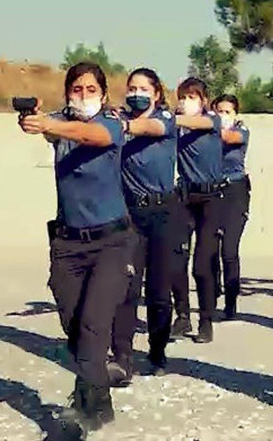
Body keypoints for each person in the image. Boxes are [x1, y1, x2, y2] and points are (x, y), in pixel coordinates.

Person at [17, 62, 135, 431]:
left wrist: (48, 125)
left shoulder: (112, 123)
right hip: (68, 245)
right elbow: (45, 127)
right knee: (75, 327)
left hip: (111, 243)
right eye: (76, 89)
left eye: (90, 89)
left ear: (103, 94)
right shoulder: (58, 122)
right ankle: (100, 400)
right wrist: (31, 120)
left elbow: (91, 136)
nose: (83, 96)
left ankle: (83, 411)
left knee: (93, 325)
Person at [107, 68, 181, 386]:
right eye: (132, 88)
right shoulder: (118, 120)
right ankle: (122, 358)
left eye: (143, 89)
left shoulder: (165, 119)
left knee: (159, 291)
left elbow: (149, 127)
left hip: (164, 212)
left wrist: (123, 125)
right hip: (129, 214)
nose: (136, 94)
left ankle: (157, 351)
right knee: (126, 287)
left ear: (156, 94)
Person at [174, 77, 225, 343]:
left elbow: (198, 123)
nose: (186, 102)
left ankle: (206, 320)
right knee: (176, 260)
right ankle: (182, 316)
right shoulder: (175, 126)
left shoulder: (211, 120)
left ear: (204, 101)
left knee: (203, 265)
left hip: (211, 199)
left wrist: (171, 120)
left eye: (192, 97)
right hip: (184, 197)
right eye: (183, 97)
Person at [211, 94, 251, 320]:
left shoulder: (241, 131)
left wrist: (207, 127)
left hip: (235, 191)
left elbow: (229, 137)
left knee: (229, 250)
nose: (223, 116)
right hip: (212, 191)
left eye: (228, 112)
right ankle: (212, 293)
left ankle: (231, 301)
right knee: (210, 249)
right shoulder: (207, 133)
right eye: (219, 111)